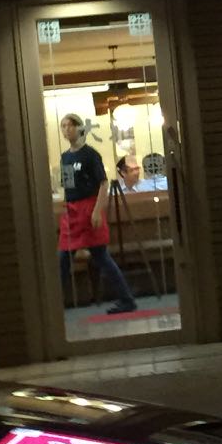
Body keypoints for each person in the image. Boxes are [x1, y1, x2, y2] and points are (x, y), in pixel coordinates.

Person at [58, 113, 137, 314]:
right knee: (63, 257)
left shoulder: (90, 154)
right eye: (63, 126)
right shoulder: (65, 157)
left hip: (89, 207)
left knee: (100, 255)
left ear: (78, 128)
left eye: (69, 125)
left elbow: (103, 183)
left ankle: (127, 299)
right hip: (72, 209)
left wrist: (96, 211)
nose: (66, 130)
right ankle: (55, 303)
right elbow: (67, 185)